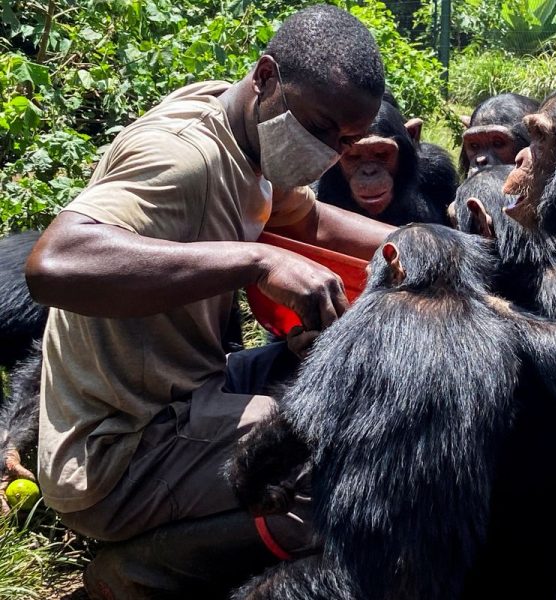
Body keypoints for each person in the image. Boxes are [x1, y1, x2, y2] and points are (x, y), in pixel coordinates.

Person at [17, 5, 394, 598]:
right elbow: (55, 262)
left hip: (187, 393)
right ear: (267, 77)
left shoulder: (248, 128)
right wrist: (258, 261)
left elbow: (310, 218)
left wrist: (425, 244)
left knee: (341, 398)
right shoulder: (183, 159)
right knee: (353, 483)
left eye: (345, 139)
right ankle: (133, 576)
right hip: (120, 450)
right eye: (322, 129)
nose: (330, 152)